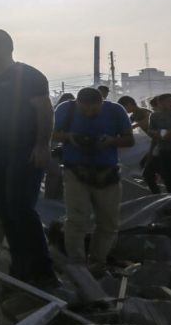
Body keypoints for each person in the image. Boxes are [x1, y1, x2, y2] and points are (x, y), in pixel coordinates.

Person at [0, 29, 57, 287]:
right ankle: (20, 268)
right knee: (5, 211)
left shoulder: (29, 76)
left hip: (25, 152)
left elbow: (45, 112)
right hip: (0, 154)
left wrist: (42, 146)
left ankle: (44, 272)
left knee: (21, 207)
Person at [52, 88, 134, 273]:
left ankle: (98, 262)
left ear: (102, 103)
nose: (89, 113)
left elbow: (129, 140)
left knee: (108, 221)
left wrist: (111, 141)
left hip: (107, 173)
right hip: (75, 171)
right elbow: (49, 134)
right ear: (78, 104)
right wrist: (69, 137)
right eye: (84, 110)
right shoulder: (66, 109)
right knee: (76, 219)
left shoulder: (116, 111)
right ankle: (77, 263)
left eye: (94, 111)